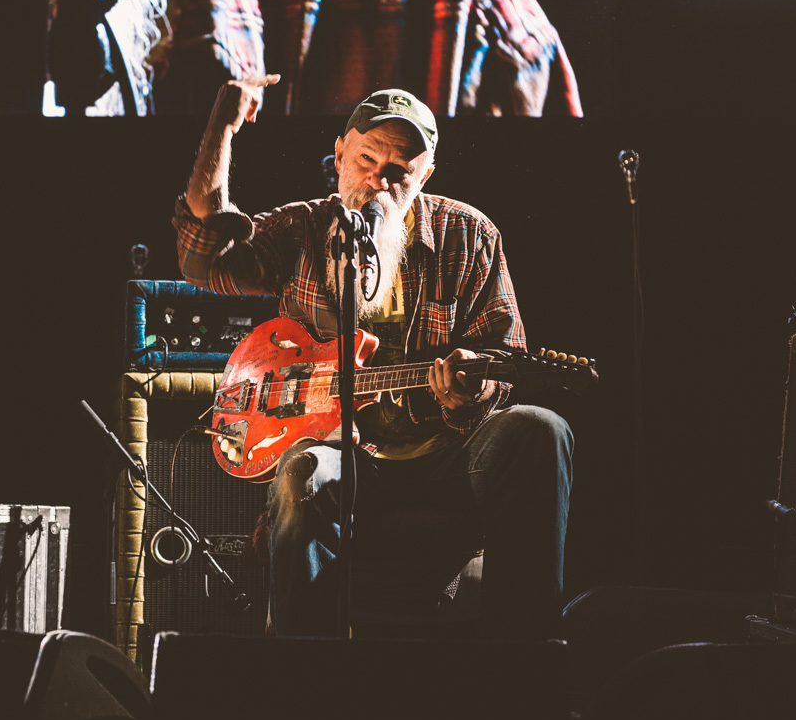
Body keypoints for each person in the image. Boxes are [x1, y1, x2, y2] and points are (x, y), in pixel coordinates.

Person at [174, 75, 573, 640]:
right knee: (301, 473)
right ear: (339, 155)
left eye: (399, 169)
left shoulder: (470, 235)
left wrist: (472, 391)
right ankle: (304, 678)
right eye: (365, 159)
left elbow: (505, 358)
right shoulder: (304, 228)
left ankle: (521, 661)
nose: (377, 180)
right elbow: (203, 258)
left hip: (446, 456)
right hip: (346, 458)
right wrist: (222, 125)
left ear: (425, 174)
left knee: (540, 429)